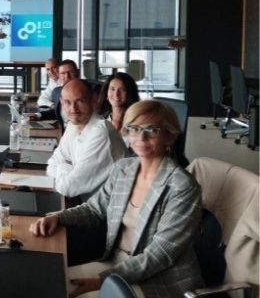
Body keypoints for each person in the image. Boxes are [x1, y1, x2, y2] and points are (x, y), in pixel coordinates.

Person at [31, 100, 203, 298]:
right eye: (134, 129)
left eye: (152, 130)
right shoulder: (123, 168)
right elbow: (94, 209)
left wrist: (102, 280)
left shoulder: (182, 186)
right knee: (51, 283)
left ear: (169, 136)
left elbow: (160, 254)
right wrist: (58, 217)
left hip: (160, 279)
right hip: (116, 263)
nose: (141, 137)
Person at [46, 79, 126, 200]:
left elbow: (69, 187)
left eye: (80, 101)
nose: (73, 109)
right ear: (62, 103)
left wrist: (63, 167)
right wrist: (69, 169)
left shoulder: (101, 133)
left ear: (93, 100)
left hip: (107, 208)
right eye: (67, 102)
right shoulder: (73, 125)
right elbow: (51, 164)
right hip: (87, 202)